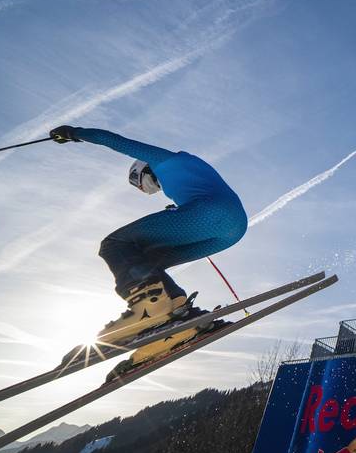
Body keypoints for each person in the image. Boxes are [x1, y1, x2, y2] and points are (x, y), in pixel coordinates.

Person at [49, 125, 248, 347]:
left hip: (210, 213)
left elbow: (111, 139)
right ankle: (181, 314)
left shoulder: (163, 162)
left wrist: (73, 133)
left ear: (143, 170)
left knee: (114, 244)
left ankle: (149, 309)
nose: (149, 191)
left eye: (141, 185)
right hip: (232, 231)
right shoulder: (186, 175)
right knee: (147, 261)